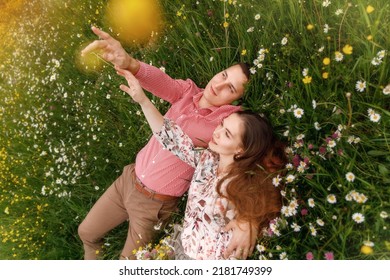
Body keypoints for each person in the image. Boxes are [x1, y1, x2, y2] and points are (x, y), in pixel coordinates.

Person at [78, 27, 257, 260]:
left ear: (237, 100)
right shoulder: (188, 92)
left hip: (154, 206)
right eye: (223, 75)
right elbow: (164, 82)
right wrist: (130, 62)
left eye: (231, 88)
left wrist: (248, 219)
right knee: (87, 233)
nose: (219, 85)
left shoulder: (227, 125)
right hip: (128, 180)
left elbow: (253, 165)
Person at [117, 68, 287, 259]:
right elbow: (170, 137)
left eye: (227, 134)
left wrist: (250, 222)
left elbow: (270, 203)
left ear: (241, 150)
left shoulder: (241, 184)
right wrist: (143, 100)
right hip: (181, 243)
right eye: (222, 125)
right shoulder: (208, 159)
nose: (217, 132)